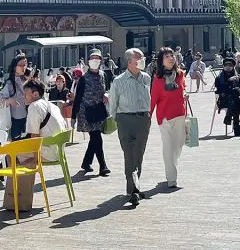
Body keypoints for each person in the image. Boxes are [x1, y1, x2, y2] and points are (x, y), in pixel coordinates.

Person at [110, 48, 151, 205]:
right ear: (129, 62)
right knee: (129, 155)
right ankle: (134, 190)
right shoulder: (119, 81)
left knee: (138, 154)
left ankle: (134, 187)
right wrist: (117, 120)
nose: (142, 60)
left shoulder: (146, 78)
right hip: (125, 119)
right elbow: (113, 103)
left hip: (143, 120)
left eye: (142, 57)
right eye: (138, 58)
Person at [150, 47, 187, 188]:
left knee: (179, 145)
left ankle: (172, 163)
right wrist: (148, 115)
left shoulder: (181, 75)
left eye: (172, 55)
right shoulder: (158, 80)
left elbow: (183, 89)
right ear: (161, 61)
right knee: (168, 146)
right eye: (167, 56)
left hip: (180, 114)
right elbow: (153, 99)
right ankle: (172, 178)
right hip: (164, 118)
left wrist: (185, 95)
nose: (171, 58)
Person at [71, 48, 110, 176]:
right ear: (88, 61)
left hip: (98, 110)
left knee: (95, 138)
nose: (95, 61)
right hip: (86, 112)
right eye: (92, 58)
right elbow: (77, 98)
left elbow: (107, 89)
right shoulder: (83, 79)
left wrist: (106, 94)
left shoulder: (103, 75)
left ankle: (86, 162)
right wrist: (73, 117)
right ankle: (103, 165)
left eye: (97, 58)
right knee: (96, 137)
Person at [23, 80, 67, 161]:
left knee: (10, 155)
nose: (23, 97)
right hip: (59, 150)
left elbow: (34, 136)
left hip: (48, 151)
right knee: (21, 155)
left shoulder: (34, 106)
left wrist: (35, 161)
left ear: (35, 94)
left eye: (25, 94)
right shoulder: (53, 106)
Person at [0, 54, 30, 140]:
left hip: (30, 117)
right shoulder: (9, 83)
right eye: (20, 65)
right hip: (16, 119)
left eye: (25, 65)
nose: (23, 67)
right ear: (14, 67)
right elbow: (1, 99)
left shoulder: (27, 80)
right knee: (17, 145)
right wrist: (10, 100)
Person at [214, 57, 240, 135]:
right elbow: (219, 90)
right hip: (223, 100)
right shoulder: (219, 78)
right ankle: (236, 126)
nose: (228, 67)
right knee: (236, 98)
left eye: (230, 65)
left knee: (236, 97)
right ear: (223, 66)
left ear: (233, 66)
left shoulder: (237, 76)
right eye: (226, 65)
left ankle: (228, 118)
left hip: (234, 100)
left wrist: (237, 81)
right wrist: (229, 81)